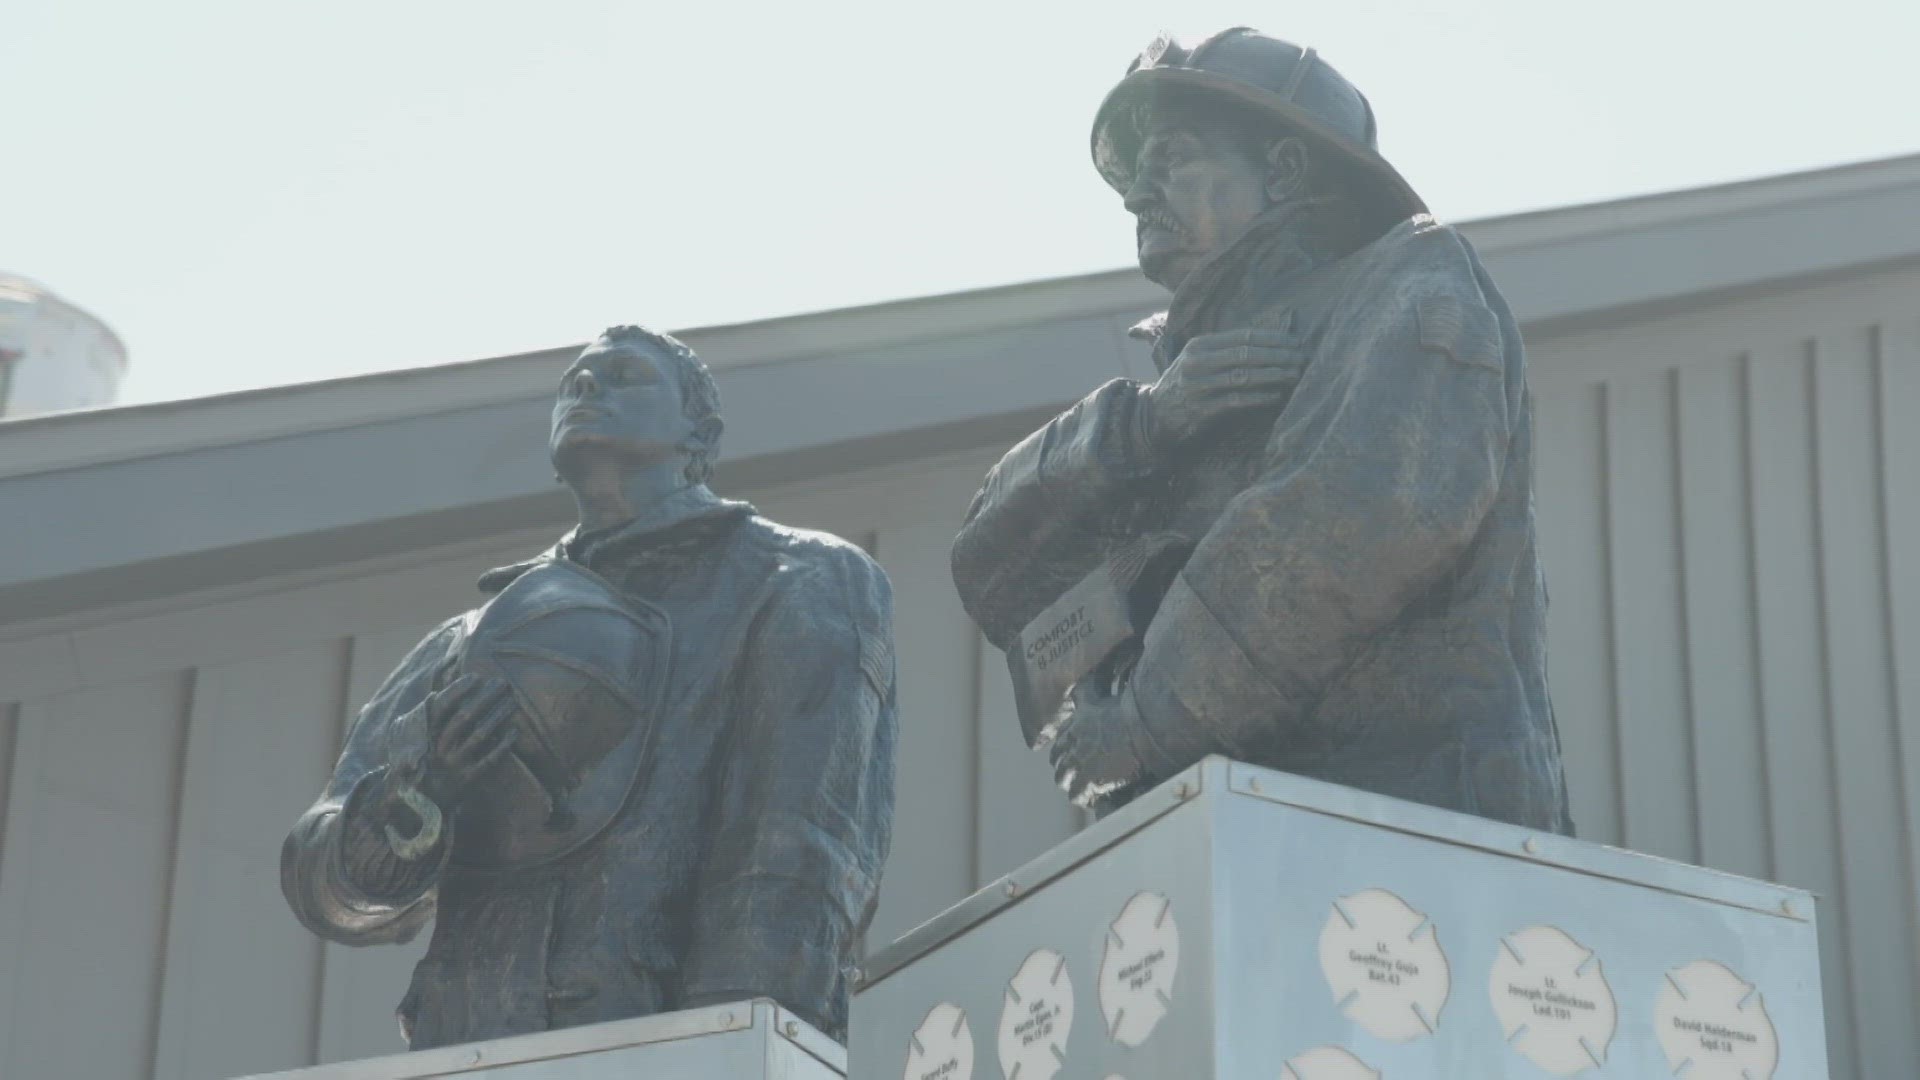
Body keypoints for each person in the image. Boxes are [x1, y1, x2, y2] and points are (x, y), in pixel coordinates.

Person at [950, 28, 1573, 834]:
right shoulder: (1170, 407)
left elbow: (1348, 526)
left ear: (1282, 172)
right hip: (1230, 839)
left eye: (1171, 158)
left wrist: (1140, 724)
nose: (1138, 196)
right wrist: (1139, 427)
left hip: (1414, 839)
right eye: (1133, 178)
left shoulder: (1413, 287)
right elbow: (990, 572)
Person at [283, 326, 897, 1048]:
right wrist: (416, 797)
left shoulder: (795, 580)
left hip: (671, 1047)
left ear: (700, 430)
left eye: (625, 375)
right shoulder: (472, 640)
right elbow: (326, 886)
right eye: (575, 379)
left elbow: (797, 857)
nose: (586, 386)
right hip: (468, 1045)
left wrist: (736, 1050)